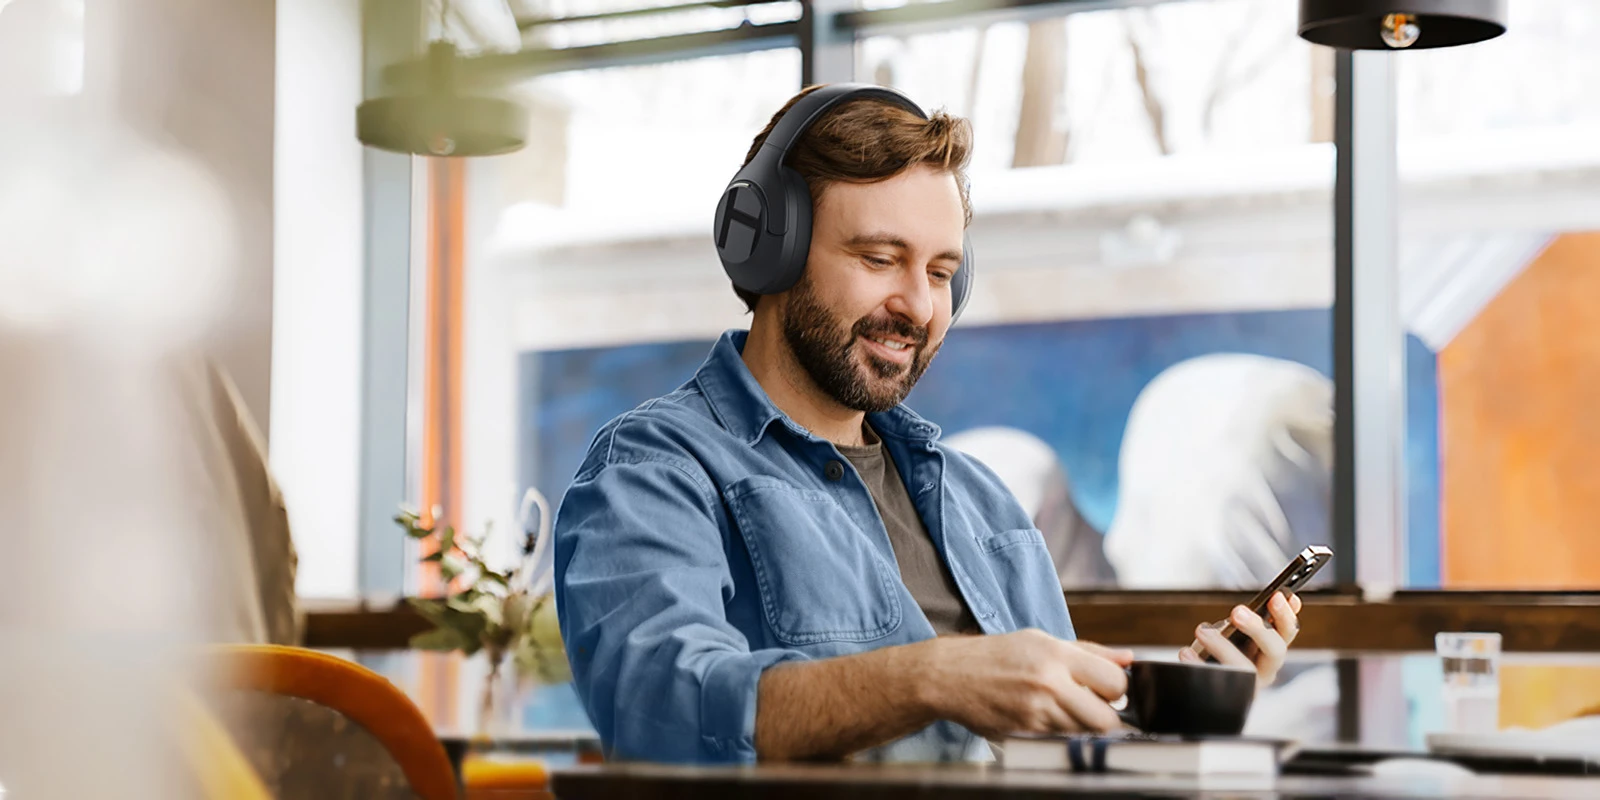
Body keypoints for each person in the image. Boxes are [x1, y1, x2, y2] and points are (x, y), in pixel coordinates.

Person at [552, 83, 1303, 765]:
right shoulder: (655, 469)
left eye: (942, 273)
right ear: (769, 249)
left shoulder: (984, 502)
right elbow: (656, 709)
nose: (919, 305)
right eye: (881, 258)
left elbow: (1054, 756)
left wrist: (1174, 718)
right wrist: (933, 675)